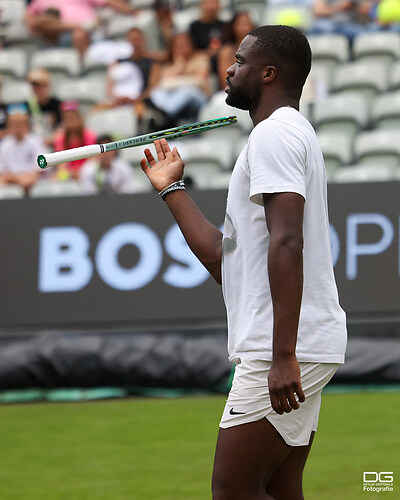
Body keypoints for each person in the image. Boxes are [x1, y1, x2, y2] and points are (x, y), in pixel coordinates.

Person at [140, 25, 347, 499]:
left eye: (239, 60)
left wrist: (282, 355)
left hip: (284, 347)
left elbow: (288, 242)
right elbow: (222, 260)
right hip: (301, 342)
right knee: (277, 489)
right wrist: (171, 189)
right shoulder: (281, 135)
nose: (229, 70)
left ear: (268, 73)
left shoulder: (275, 136)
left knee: (231, 490)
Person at [146, 32, 211, 128]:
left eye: (185, 45)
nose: (182, 48)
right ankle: (165, 115)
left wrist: (176, 80)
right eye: (178, 46)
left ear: (191, 45)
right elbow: (163, 84)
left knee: (185, 90)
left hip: (198, 98)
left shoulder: (200, 58)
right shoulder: (169, 64)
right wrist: (179, 66)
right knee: (156, 92)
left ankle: (164, 115)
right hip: (172, 98)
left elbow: (199, 81)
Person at [0, 106, 45, 194]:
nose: (18, 127)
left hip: (32, 180)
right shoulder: (5, 144)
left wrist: (28, 177)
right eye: (15, 124)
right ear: (9, 125)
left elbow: (42, 166)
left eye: (21, 123)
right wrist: (17, 179)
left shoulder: (35, 141)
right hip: (11, 180)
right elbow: (2, 169)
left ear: (27, 124)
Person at [53, 101, 97, 179]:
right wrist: (71, 173)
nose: (70, 120)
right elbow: (60, 163)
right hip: (68, 173)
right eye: (67, 118)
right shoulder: (60, 138)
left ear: (79, 118)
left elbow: (92, 158)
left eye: (73, 117)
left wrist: (80, 172)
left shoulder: (89, 135)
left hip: (86, 172)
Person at [217, 11, 255, 90]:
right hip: (231, 91)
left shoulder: (260, 49)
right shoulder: (226, 51)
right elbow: (225, 80)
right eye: (241, 24)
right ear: (233, 27)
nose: (245, 27)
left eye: (247, 23)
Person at [25, 68, 62, 147]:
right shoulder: (26, 106)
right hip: (32, 146)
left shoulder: (57, 105)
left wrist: (53, 139)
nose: (37, 90)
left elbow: (63, 127)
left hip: (53, 145)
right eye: (34, 87)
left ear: (48, 86)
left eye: (40, 87)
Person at [190, 0, 227, 73]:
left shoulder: (225, 26)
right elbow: (190, 51)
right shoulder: (194, 26)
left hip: (222, 60)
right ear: (202, 5)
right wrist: (207, 53)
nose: (212, 7)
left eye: (215, 3)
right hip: (202, 62)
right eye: (209, 3)